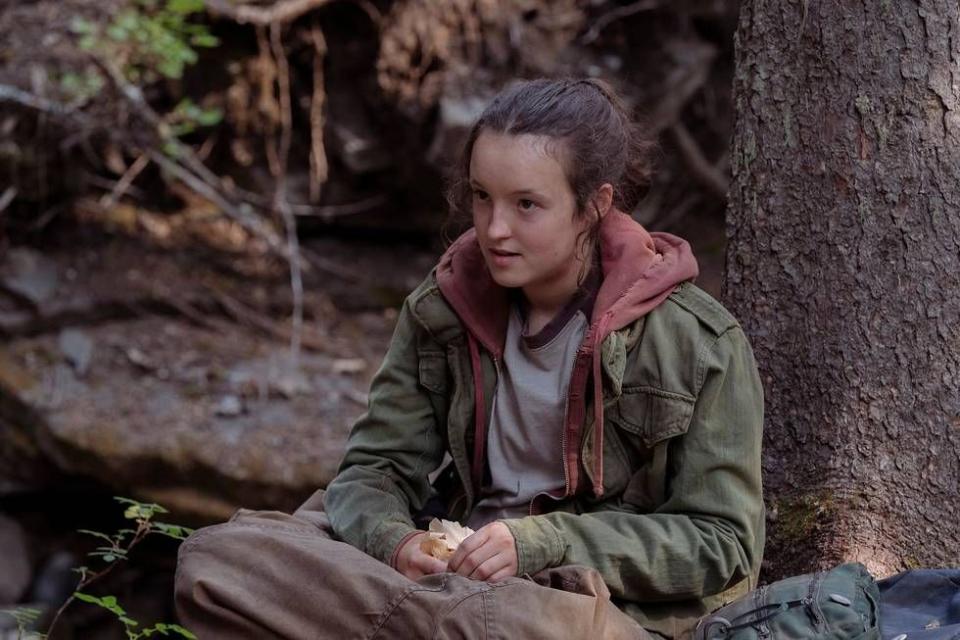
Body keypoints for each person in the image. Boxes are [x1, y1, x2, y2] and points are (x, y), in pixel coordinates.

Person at [174, 77, 765, 640]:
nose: (494, 228)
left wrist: (545, 541)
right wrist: (395, 544)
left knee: (502, 627)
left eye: (526, 205)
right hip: (451, 578)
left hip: (584, 603)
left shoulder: (697, 341)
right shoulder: (443, 309)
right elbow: (373, 470)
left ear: (594, 205)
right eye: (482, 197)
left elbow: (723, 542)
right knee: (217, 563)